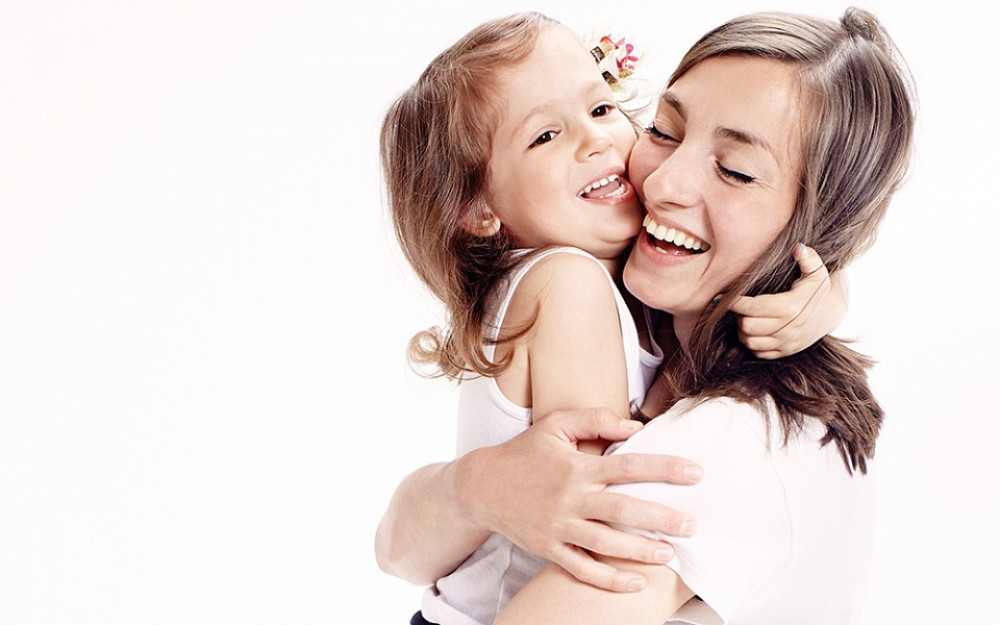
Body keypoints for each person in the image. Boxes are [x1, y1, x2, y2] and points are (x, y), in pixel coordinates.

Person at [377, 12, 850, 625]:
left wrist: (828, 285)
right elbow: (599, 485)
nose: (595, 140)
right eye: (545, 136)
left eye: (601, 109)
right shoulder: (567, 283)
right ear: (478, 207)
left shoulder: (610, 278)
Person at [493, 7, 914, 624]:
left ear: (820, 225)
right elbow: (397, 550)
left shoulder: (724, 441)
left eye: (736, 171)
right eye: (663, 131)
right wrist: (470, 488)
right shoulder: (642, 334)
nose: (664, 183)